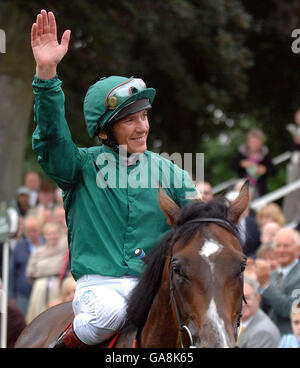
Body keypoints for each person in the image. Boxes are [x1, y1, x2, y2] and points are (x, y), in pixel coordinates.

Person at [30, 10, 198, 348]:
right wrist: (47, 76)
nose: (143, 127)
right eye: (130, 120)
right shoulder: (79, 167)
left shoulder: (172, 172)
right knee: (110, 314)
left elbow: (198, 224)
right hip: (100, 289)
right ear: (106, 130)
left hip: (154, 288)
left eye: (144, 116)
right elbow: (52, 137)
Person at [255, 227, 300, 335]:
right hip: (267, 336)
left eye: (286, 246)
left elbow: (290, 309)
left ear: (298, 249)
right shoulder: (271, 275)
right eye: (278, 246)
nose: (281, 250)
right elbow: (261, 310)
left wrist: (265, 285)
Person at [25, 222, 68, 323]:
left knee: (55, 316)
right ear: (45, 235)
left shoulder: (63, 251)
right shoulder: (37, 252)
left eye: (54, 233)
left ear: (59, 235)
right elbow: (30, 272)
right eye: (49, 233)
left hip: (57, 285)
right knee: (37, 316)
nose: (52, 236)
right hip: (39, 287)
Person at [9, 216, 44, 316]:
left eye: (34, 230)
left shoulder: (47, 243)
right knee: (23, 323)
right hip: (23, 293)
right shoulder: (20, 246)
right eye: (29, 231)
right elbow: (11, 271)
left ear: (40, 230)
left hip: (42, 292)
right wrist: (11, 295)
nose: (32, 234)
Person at [232, 129, 276, 199]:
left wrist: (265, 169)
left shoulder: (265, 154)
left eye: (257, 142)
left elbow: (274, 170)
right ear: (248, 142)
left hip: (259, 188)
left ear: (261, 143)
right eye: (252, 142)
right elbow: (232, 165)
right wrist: (242, 163)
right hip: (243, 186)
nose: (254, 144)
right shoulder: (242, 153)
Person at [237, 277, 281, 348]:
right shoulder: (234, 323)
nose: (241, 303)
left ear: (257, 299)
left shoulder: (264, 333)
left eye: (246, 298)